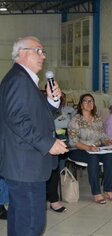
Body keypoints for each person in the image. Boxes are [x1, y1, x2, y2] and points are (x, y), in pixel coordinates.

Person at [0, 36, 68, 235]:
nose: (43, 56)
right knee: (31, 225)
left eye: (43, 52)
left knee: (21, 222)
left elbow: (35, 117)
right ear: (22, 53)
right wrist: (48, 144)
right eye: (38, 51)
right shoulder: (19, 80)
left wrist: (52, 102)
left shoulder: (22, 80)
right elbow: (17, 120)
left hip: (26, 167)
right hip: (25, 167)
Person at [68, 93, 112, 204]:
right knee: (93, 158)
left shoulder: (97, 119)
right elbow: (73, 142)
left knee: (109, 156)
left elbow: (102, 135)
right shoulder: (75, 120)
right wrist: (88, 147)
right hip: (78, 150)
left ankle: (108, 189)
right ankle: (96, 193)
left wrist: (109, 143)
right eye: (86, 101)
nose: (89, 103)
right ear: (81, 105)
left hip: (96, 148)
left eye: (91, 101)